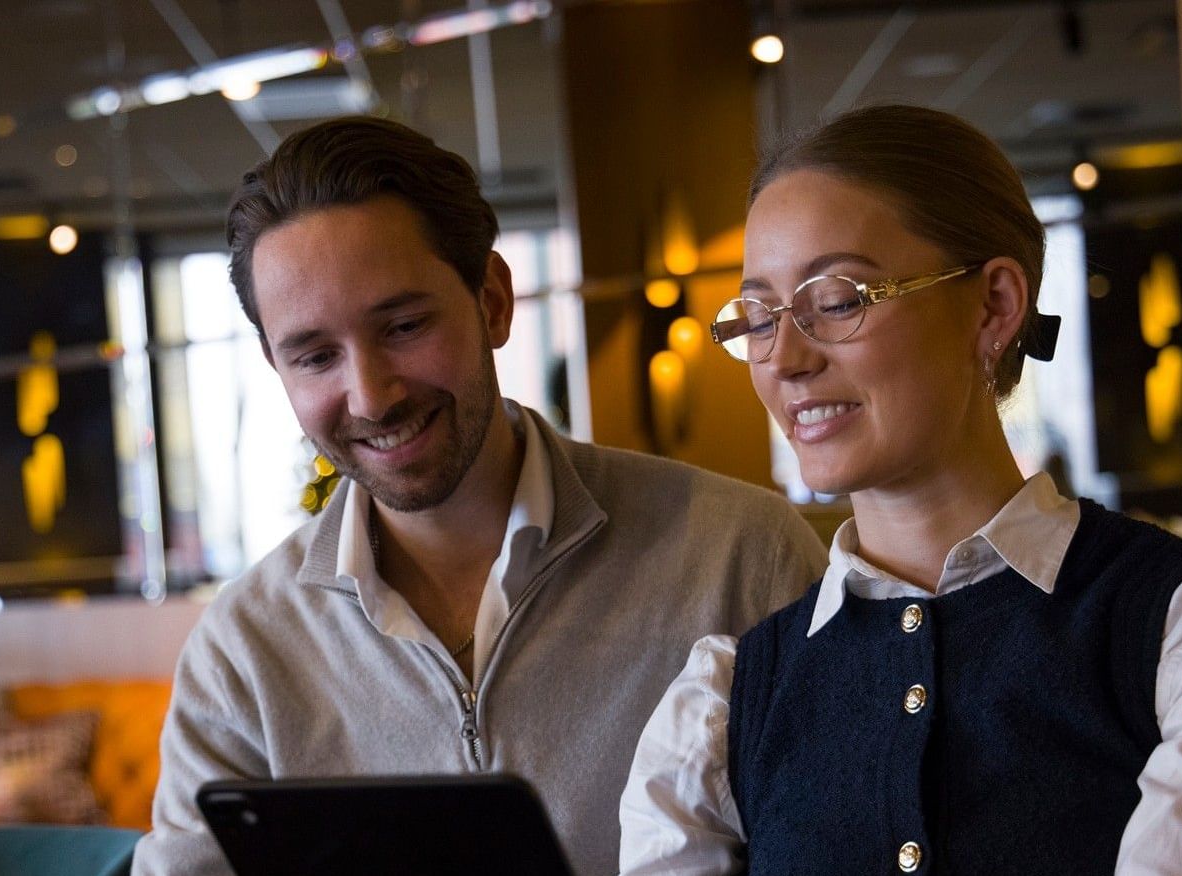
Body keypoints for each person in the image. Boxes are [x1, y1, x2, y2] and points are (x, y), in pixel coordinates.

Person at [618, 104, 1182, 875]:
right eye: (758, 317)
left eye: (837, 301)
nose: (784, 358)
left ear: (994, 305)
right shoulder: (723, 703)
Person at [131, 116, 826, 875]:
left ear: (492, 300)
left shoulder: (740, 554)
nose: (370, 396)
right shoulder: (245, 650)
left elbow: (839, 844)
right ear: (276, 367)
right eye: (316, 355)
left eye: (403, 325)